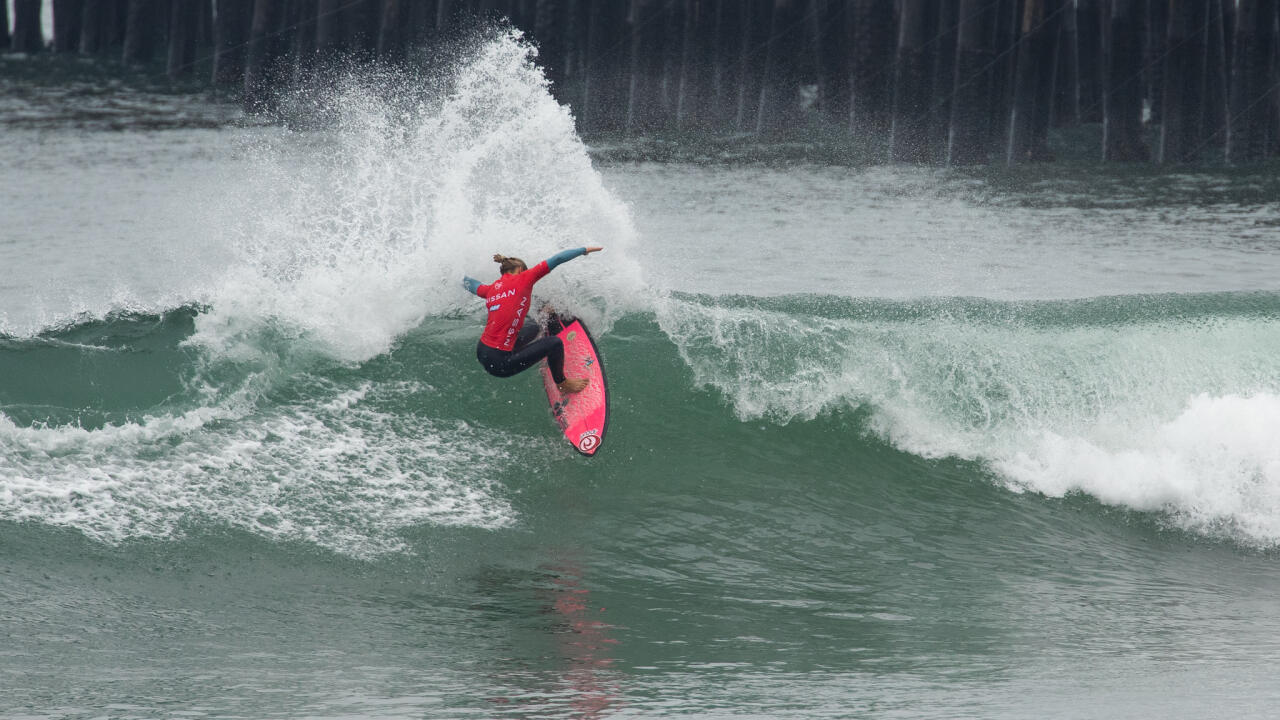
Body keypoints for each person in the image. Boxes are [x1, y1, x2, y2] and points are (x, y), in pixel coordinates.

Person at [462, 246, 603, 393]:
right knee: (554, 343)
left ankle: (535, 346)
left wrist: (455, 276)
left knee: (534, 326)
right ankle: (562, 384)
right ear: (521, 270)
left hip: (483, 351)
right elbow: (557, 259)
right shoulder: (524, 278)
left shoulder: (491, 289)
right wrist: (583, 250)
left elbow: (472, 285)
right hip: (500, 363)